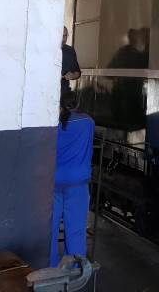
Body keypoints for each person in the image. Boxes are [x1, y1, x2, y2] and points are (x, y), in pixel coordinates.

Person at [50, 91, 95, 267]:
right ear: (78, 103)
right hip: (78, 183)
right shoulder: (88, 122)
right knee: (76, 230)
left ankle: (50, 269)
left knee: (50, 229)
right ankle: (75, 270)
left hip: (53, 182)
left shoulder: (53, 123)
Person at [61, 27, 81, 92]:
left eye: (65, 36)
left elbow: (78, 72)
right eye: (61, 35)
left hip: (64, 92)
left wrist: (72, 75)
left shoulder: (70, 51)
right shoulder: (47, 51)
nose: (63, 39)